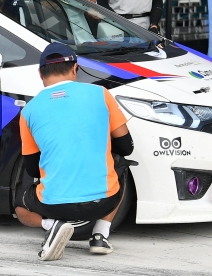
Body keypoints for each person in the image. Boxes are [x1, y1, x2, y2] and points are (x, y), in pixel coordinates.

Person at [15, 43, 133, 261]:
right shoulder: (101, 94)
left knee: (20, 207)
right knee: (121, 165)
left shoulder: (29, 110)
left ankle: (52, 225)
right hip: (103, 201)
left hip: (52, 206)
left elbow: (32, 167)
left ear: (40, 74)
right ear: (75, 68)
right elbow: (127, 146)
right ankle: (100, 234)